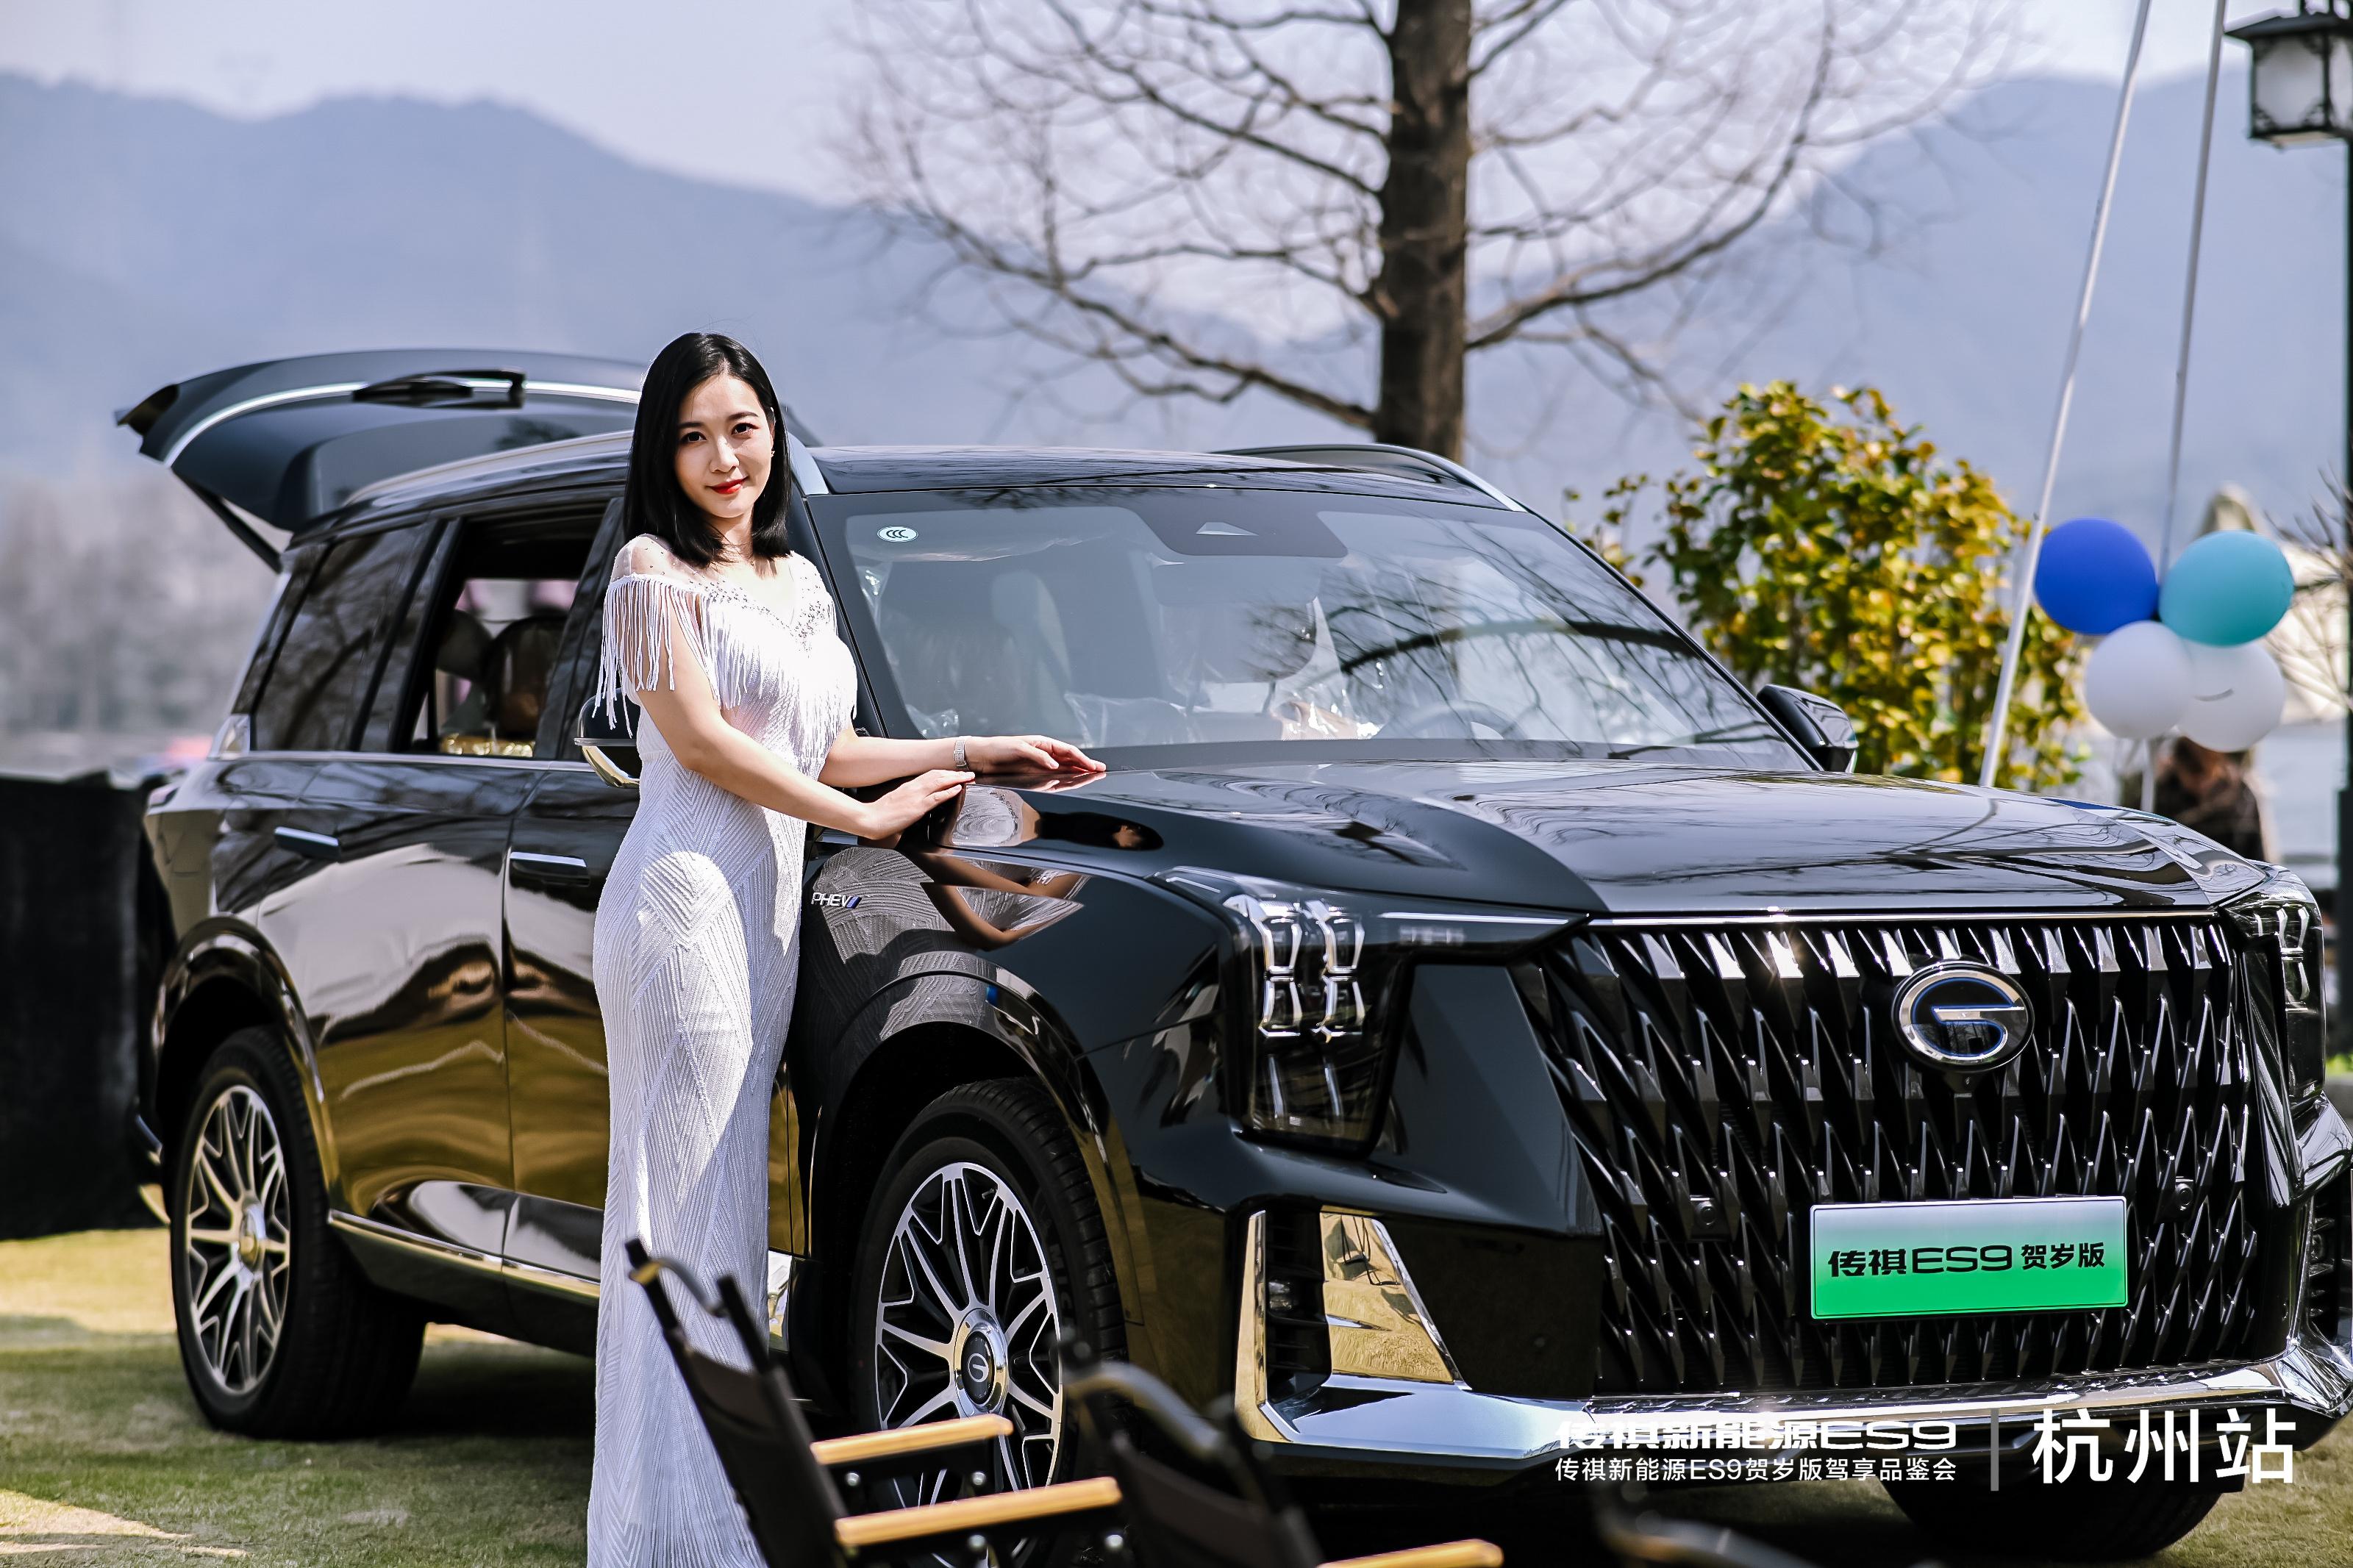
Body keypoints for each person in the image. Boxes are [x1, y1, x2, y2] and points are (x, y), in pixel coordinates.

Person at [585, 332, 1101, 1567]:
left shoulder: (796, 582)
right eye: (694, 436)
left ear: (774, 430)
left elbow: (819, 746)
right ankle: (670, 1531)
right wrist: (863, 822)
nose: (724, 458)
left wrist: (974, 750)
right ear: (663, 452)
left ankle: (710, 1513)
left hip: (761, 913)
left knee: (721, 1210)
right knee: (672, 1210)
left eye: (743, 428)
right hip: (684, 903)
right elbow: (704, 745)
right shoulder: (651, 571)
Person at [2152, 738, 2271, 862]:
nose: (2201, 784)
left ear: (2218, 764)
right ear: (2178, 767)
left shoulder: (2243, 797)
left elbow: (2258, 853)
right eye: (2194, 776)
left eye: (2205, 775)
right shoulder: (2163, 797)